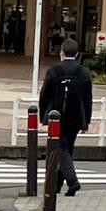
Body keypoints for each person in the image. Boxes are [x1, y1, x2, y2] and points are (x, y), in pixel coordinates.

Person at [37, 35, 94, 196]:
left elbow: (44, 95)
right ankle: (57, 187)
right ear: (76, 54)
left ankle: (73, 182)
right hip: (76, 118)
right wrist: (86, 122)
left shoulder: (54, 70)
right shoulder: (83, 72)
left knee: (62, 150)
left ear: (61, 52)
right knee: (67, 150)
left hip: (57, 117)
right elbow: (87, 99)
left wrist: (44, 116)